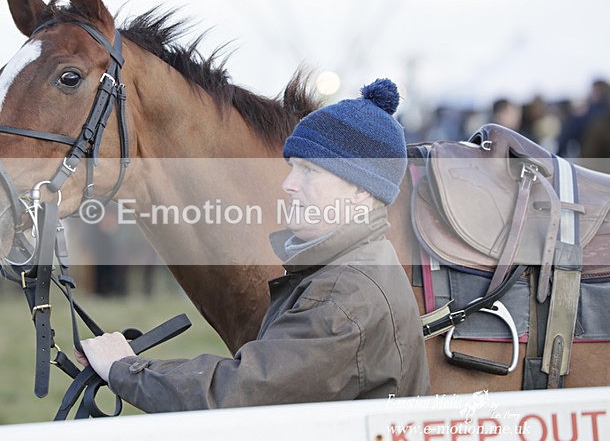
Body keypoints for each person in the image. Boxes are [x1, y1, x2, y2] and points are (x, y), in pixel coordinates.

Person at [76, 78, 430, 412]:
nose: (289, 184)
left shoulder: (344, 297)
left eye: (309, 171)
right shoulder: (354, 264)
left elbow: (237, 393)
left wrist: (123, 368)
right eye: (293, 167)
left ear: (361, 189)